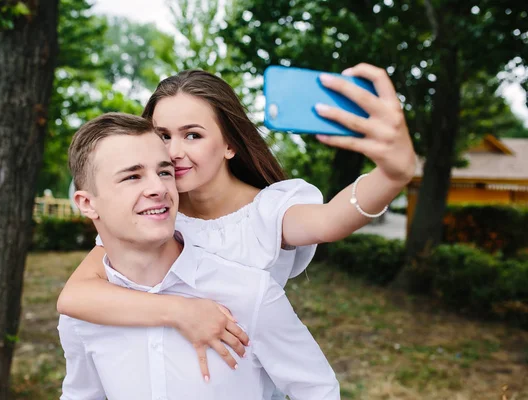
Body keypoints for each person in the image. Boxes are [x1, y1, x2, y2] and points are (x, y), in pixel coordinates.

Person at [57, 63, 415, 386]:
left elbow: (330, 220)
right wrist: (181, 312)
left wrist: (392, 175)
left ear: (229, 144)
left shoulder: (266, 211)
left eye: (192, 135)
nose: (173, 151)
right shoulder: (152, 217)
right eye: (163, 135)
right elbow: (76, 296)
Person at [59, 112, 340, 399]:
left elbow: (318, 391)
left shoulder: (248, 295)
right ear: (86, 204)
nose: (159, 188)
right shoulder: (82, 316)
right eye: (132, 176)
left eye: (165, 172)